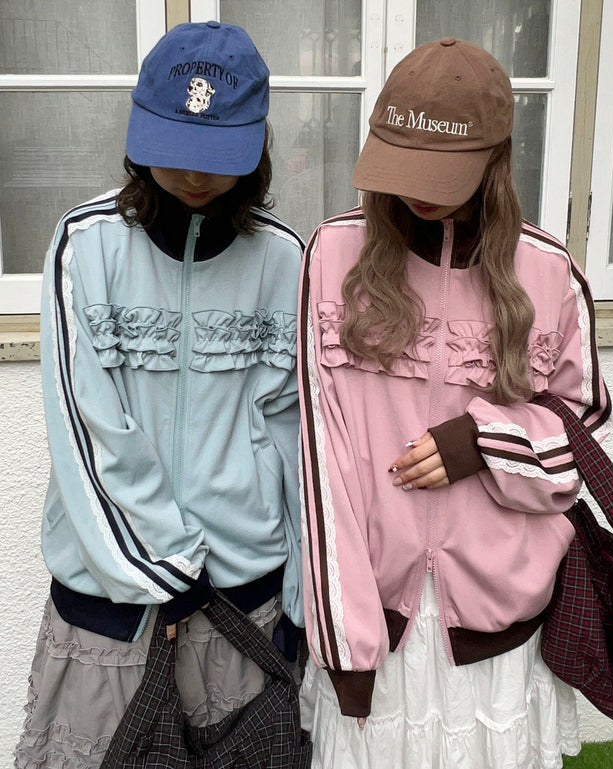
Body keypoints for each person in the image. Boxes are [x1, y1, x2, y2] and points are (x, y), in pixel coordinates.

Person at [297, 37, 610, 769]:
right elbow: (319, 455)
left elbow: (582, 430)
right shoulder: (333, 255)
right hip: (376, 611)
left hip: (500, 622)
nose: (419, 191)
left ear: (494, 161)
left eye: (441, 171)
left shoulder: (548, 271)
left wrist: (484, 441)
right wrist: (346, 644)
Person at [14, 21, 304, 769]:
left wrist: (302, 598)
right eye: (174, 149)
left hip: (244, 599)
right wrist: (163, 567)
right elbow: (87, 425)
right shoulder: (86, 245)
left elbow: (294, 435)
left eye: (217, 155)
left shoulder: (283, 260)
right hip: (110, 603)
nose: (194, 174)